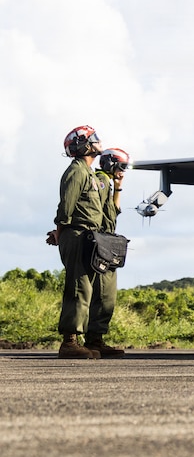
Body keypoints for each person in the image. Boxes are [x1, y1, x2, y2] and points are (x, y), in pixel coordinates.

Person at [46, 125, 107, 359]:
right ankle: (69, 341)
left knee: (87, 288)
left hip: (89, 236)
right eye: (94, 139)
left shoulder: (90, 173)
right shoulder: (77, 171)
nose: (98, 141)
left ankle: (82, 339)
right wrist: (60, 232)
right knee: (78, 286)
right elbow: (66, 207)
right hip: (77, 234)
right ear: (83, 145)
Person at [85, 148, 131, 358]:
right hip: (101, 241)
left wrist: (119, 188)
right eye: (120, 166)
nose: (122, 171)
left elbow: (114, 211)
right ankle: (94, 340)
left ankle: (96, 339)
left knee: (103, 294)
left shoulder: (107, 183)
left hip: (103, 240)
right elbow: (106, 216)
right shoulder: (102, 181)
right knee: (103, 295)